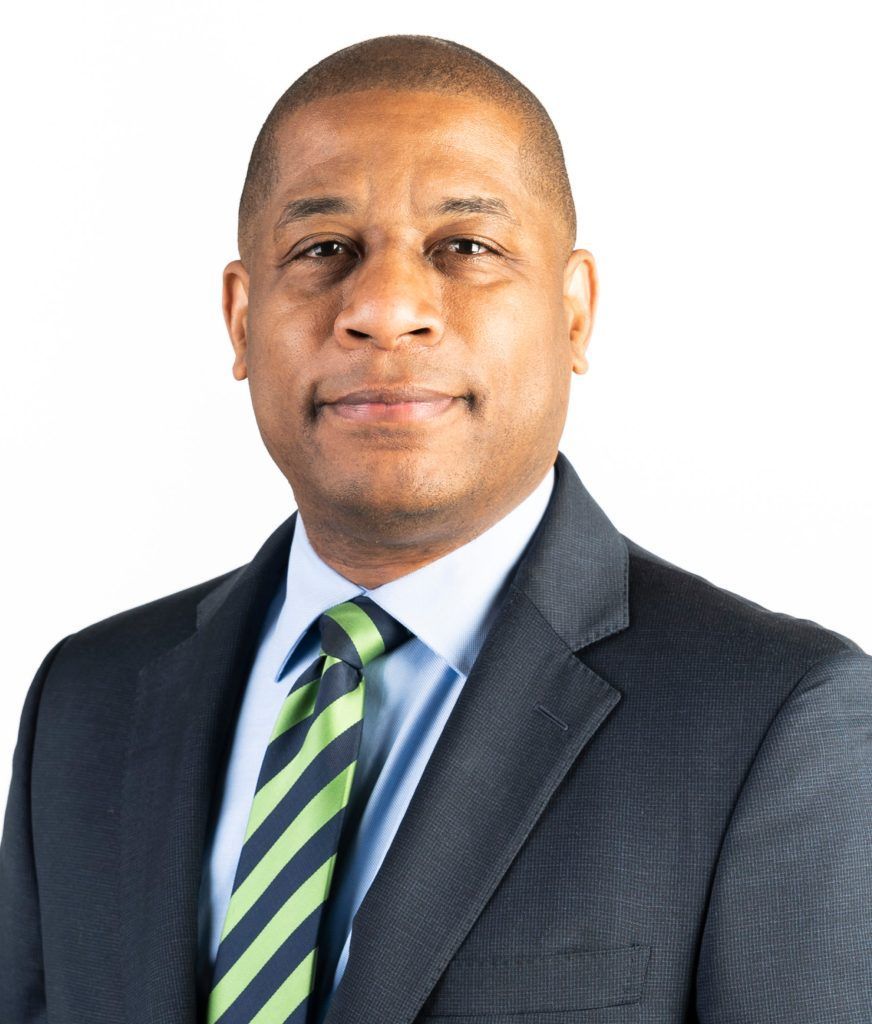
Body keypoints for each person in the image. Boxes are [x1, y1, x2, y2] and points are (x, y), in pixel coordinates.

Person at [1, 32, 870, 1024]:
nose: (384, 307)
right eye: (323, 251)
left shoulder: (774, 721)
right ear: (241, 319)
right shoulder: (86, 701)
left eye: (463, 248)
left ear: (574, 311)